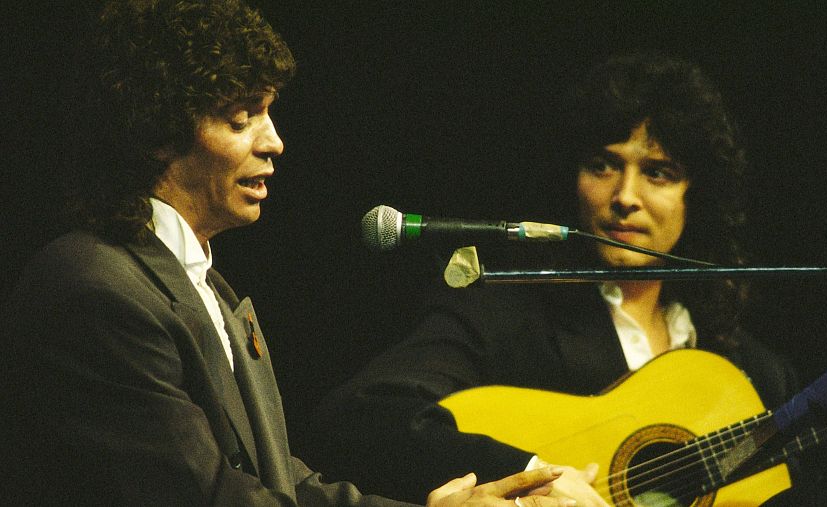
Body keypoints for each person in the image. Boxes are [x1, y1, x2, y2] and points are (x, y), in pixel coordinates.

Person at [1, 1, 581, 506]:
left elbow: (281, 484)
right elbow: (208, 497)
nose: (273, 140)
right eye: (241, 117)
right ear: (158, 130)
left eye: (268, 112)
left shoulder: (205, 285)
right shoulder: (95, 289)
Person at [303, 53, 827, 506]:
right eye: (603, 165)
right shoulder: (506, 312)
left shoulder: (753, 373)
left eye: (658, 173)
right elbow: (359, 417)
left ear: (699, 197)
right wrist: (541, 473)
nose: (625, 198)